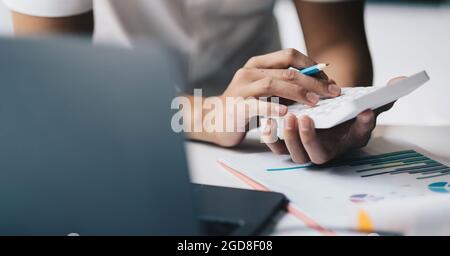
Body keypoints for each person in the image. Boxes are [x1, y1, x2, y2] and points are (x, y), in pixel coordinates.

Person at [3, 0, 399, 164]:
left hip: (267, 132)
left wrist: (334, 115)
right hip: (111, 121)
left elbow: (337, 44)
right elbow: (54, 78)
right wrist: (203, 113)